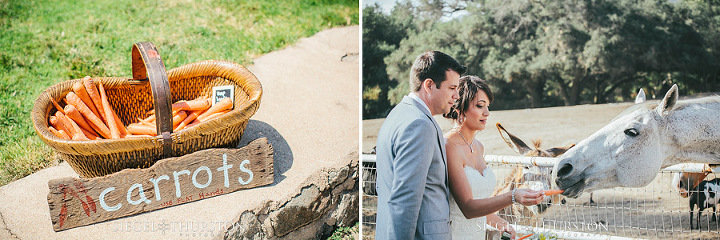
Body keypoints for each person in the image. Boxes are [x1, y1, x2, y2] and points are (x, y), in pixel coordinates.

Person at [375, 50, 466, 240]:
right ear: (429, 85)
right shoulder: (419, 125)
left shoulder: (398, 114)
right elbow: (405, 200)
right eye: (452, 88)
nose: (457, 95)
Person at [443, 75, 545, 240]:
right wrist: (513, 196)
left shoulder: (478, 146)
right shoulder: (449, 146)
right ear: (460, 107)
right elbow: (468, 208)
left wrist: (503, 225)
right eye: (480, 106)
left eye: (488, 106)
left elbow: (481, 207)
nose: (487, 113)